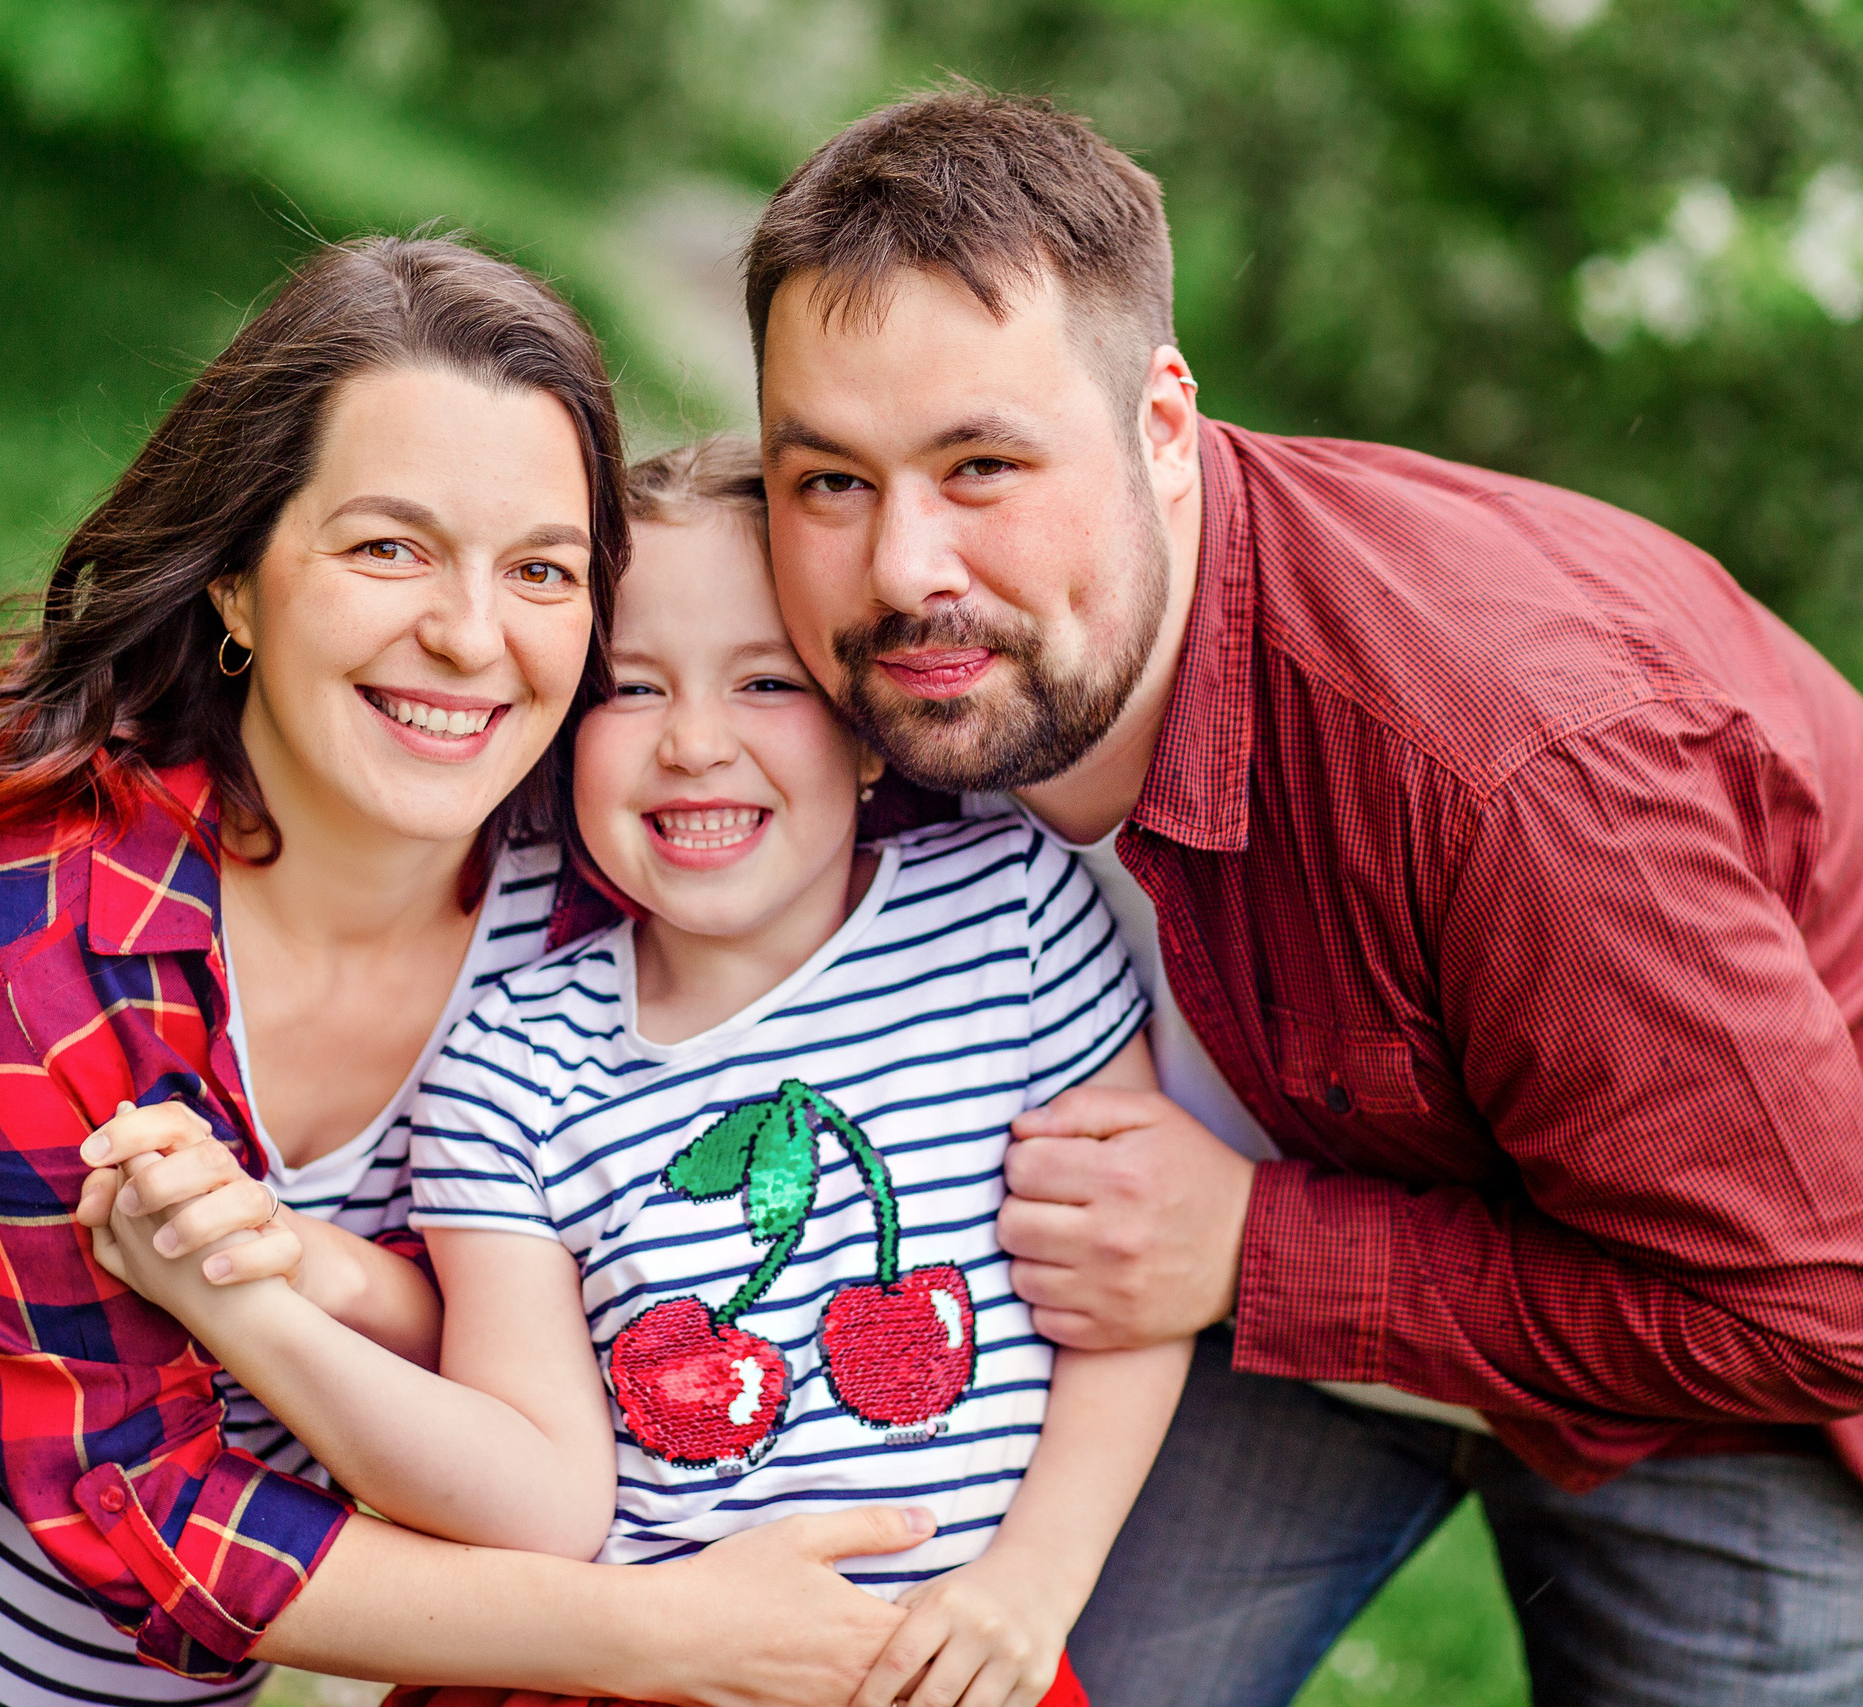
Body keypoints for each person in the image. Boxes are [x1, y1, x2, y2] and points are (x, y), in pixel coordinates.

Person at [742, 86, 1863, 1707]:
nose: (905, 567)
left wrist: (1251, 1246)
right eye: (828, 480)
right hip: (1239, 1260)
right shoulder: (847, 673)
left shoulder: (1517, 765)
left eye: (981, 464)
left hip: (1711, 1342)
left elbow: (1809, 1312)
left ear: (1163, 428)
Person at [0, 237, 927, 1707]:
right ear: (235, 580)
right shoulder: (31, 939)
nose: (469, 636)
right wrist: (666, 1634)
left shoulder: (594, 898)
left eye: (540, 569)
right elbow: (140, 1509)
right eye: (388, 547)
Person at [79, 435, 1191, 1707]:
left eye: (768, 683)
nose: (695, 744)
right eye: (630, 689)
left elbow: (1133, 1280)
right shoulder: (512, 1063)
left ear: (869, 727)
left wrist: (1037, 1581)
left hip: (957, 1666)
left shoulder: (1009, 917)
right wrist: (246, 1303)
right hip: (613, 1675)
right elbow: (539, 1496)